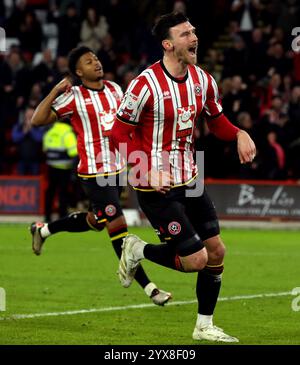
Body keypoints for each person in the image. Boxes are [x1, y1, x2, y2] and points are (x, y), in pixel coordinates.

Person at [112, 12, 256, 342]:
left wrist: (238, 134)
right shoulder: (144, 85)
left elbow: (216, 121)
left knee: (216, 252)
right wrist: (143, 168)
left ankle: (204, 326)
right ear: (168, 44)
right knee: (195, 259)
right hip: (155, 186)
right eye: (185, 33)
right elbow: (119, 133)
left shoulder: (203, 80)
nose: (194, 37)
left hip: (190, 180)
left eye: (193, 31)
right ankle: (137, 250)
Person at [30, 46, 171, 306]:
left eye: (95, 58)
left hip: (118, 170)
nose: (95, 63)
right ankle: (150, 288)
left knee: (98, 220)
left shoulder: (116, 90)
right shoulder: (73, 97)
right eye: (88, 61)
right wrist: (54, 91)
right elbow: (37, 120)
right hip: (94, 173)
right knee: (117, 225)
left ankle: (44, 229)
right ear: (78, 71)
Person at [42, 119, 78, 222]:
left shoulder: (49, 131)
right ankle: (62, 217)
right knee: (63, 193)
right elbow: (73, 152)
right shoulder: (67, 133)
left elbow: (44, 149)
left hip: (51, 167)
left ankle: (47, 217)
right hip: (64, 168)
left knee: (50, 192)